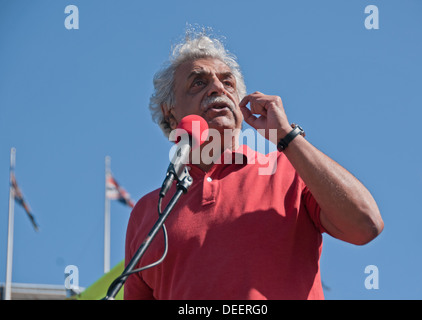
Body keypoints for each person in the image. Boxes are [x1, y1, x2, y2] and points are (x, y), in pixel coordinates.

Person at [124, 29, 384, 300]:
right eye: (198, 83)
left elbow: (366, 224)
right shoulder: (146, 213)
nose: (217, 88)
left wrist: (286, 136)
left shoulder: (290, 168)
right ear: (170, 112)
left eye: (228, 82)